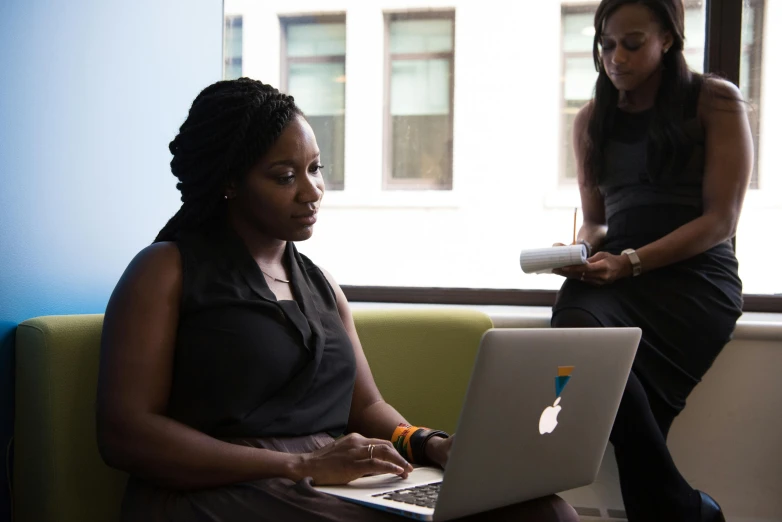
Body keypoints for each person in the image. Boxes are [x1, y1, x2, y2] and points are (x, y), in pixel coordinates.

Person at [96, 78, 578, 522]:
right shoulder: (166, 270)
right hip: (217, 488)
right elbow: (126, 433)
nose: (312, 192)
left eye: (315, 168)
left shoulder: (321, 285)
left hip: (330, 482)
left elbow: (367, 409)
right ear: (229, 183)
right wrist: (300, 464)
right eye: (284, 177)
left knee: (543, 512)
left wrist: (429, 443)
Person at [550, 0, 752, 521]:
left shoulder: (715, 101)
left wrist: (632, 262)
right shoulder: (591, 119)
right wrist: (579, 251)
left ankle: (671, 509)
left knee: (627, 421)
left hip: (695, 280)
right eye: (606, 44)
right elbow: (596, 220)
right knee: (572, 318)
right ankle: (683, 509)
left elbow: (720, 221)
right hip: (620, 274)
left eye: (632, 43)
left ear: (668, 38)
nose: (616, 57)